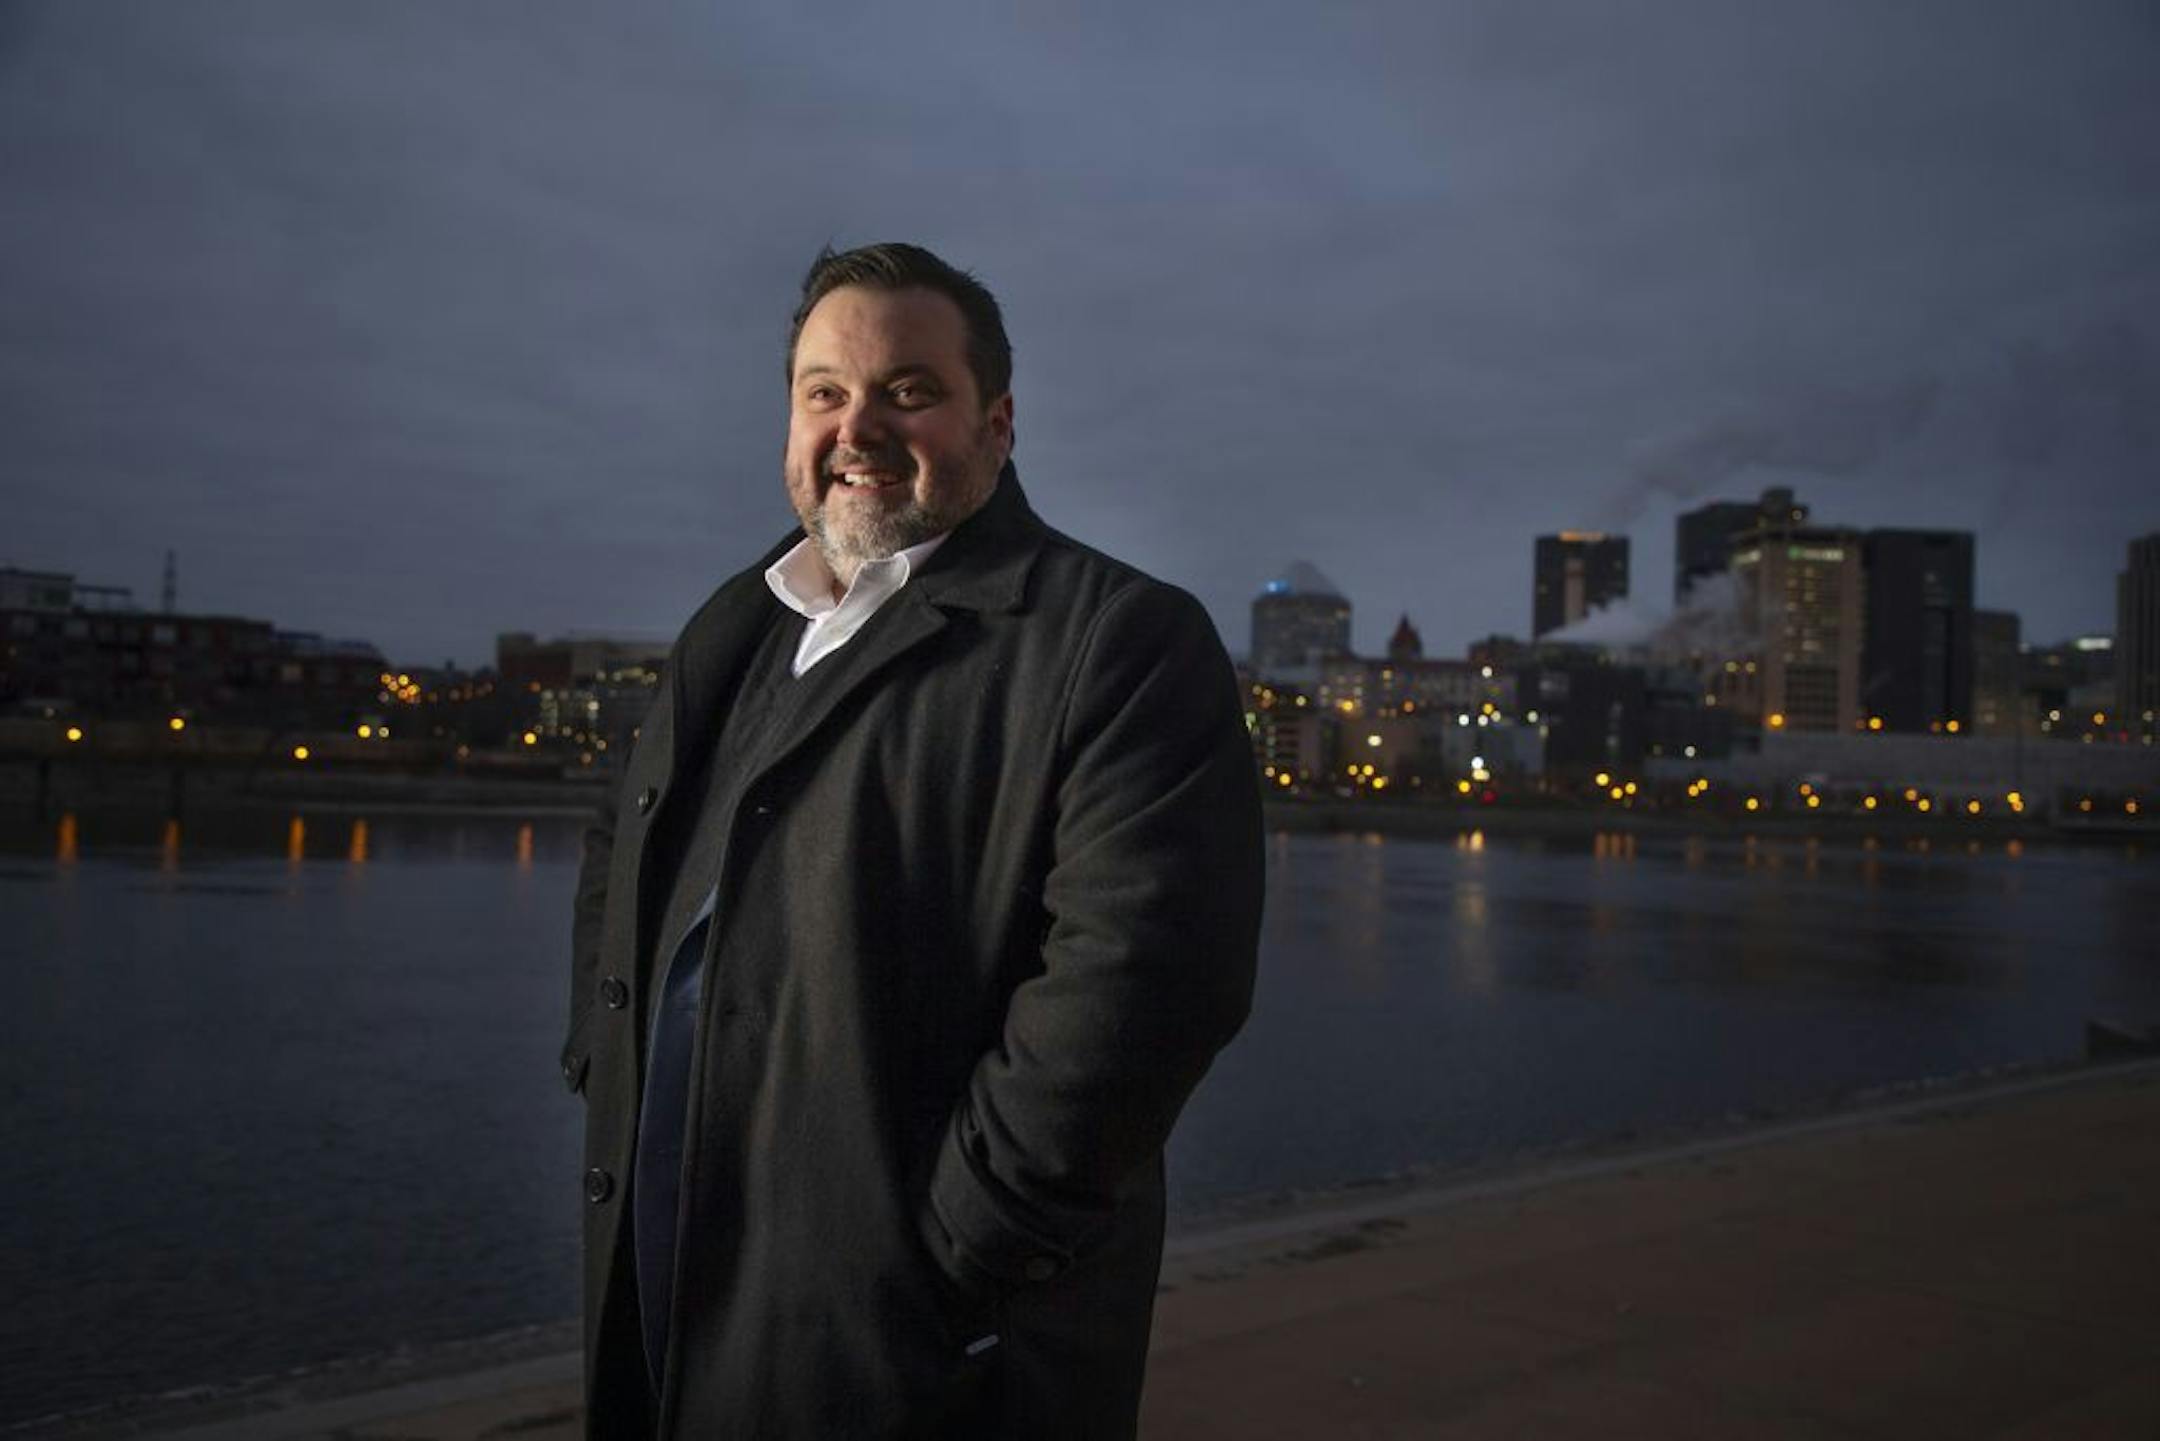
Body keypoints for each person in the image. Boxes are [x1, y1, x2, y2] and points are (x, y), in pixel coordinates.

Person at [564, 241, 1264, 1439]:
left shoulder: (1121, 641)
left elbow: (1148, 986)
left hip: (924, 1342)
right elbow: (617, 846)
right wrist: (606, 1057)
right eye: (825, 392)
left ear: (998, 424)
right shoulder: (736, 627)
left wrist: (956, 1247)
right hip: (676, 1275)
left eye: (909, 390)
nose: (858, 429)